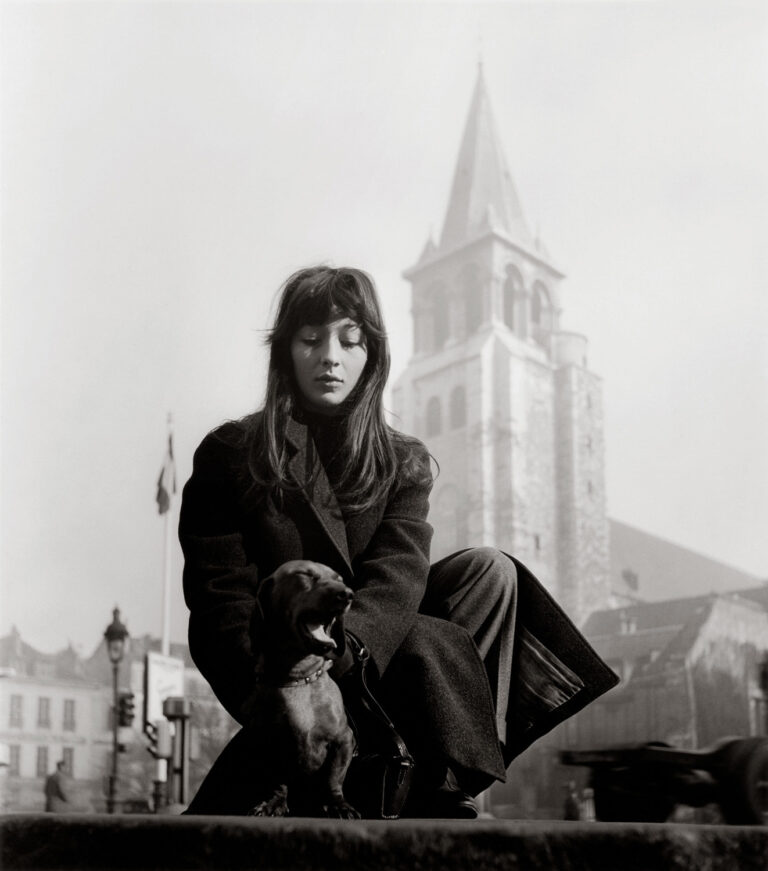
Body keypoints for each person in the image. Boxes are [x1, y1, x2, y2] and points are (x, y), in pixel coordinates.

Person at [179, 265, 617, 818]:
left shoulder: (404, 460)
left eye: (350, 340)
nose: (330, 357)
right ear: (285, 350)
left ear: (372, 355)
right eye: (311, 340)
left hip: (370, 659)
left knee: (492, 573)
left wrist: (349, 660)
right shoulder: (232, 453)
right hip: (286, 678)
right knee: (426, 641)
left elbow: (399, 574)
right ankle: (399, 770)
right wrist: (277, 700)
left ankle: (431, 768)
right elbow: (222, 599)